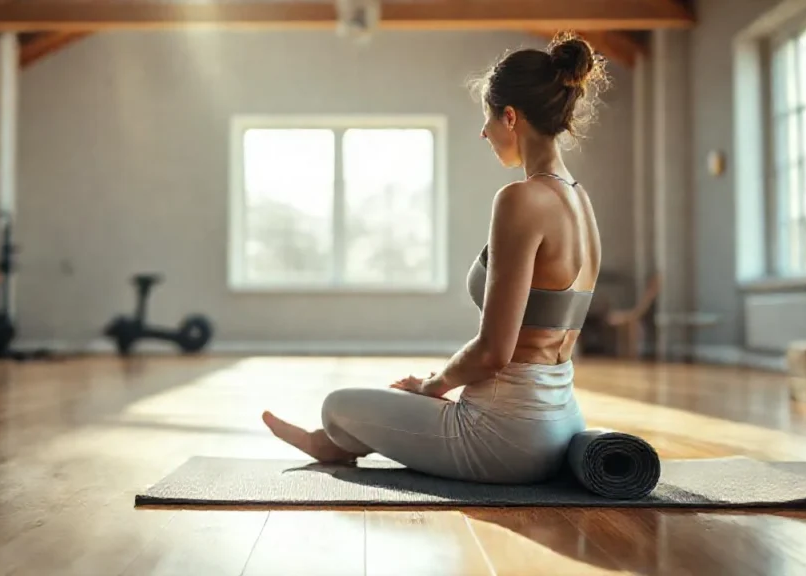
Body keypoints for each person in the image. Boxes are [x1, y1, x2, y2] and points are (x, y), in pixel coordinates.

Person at [261, 31, 609, 485]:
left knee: (336, 406)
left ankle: (329, 441)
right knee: (399, 403)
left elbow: (493, 353)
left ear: (510, 117)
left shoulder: (521, 200)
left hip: (505, 438)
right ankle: (329, 444)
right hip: (562, 426)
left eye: (487, 119)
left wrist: (432, 386)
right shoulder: (581, 203)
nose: (483, 132)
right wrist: (440, 385)